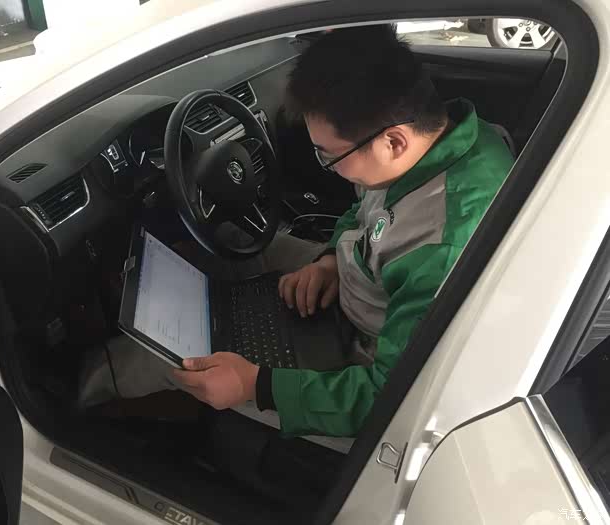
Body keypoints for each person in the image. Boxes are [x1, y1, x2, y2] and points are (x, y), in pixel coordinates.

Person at [170, 24, 514, 437]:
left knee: (177, 362)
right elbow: (363, 208)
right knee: (231, 243)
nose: (328, 167)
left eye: (329, 156)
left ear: (394, 142)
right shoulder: (443, 141)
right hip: (354, 279)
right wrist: (330, 259)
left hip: (359, 353)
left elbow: (393, 399)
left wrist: (255, 385)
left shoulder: (443, 248)